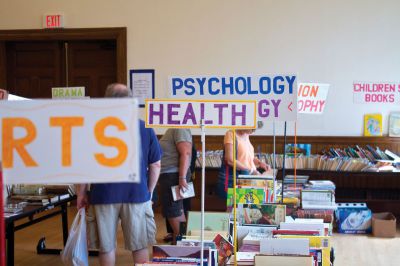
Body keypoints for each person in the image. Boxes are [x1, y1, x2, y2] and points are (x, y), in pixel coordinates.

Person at [76, 83, 162, 265]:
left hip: (103, 194)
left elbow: (84, 166)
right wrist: (149, 191)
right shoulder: (144, 127)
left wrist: (81, 193)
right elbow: (155, 164)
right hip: (137, 194)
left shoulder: (92, 128)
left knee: (106, 247)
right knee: (139, 245)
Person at [158, 128, 192, 244]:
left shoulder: (179, 128)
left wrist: (182, 178)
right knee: (177, 210)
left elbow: (186, 153)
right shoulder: (175, 128)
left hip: (173, 176)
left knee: (173, 211)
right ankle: (178, 243)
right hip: (172, 175)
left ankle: (182, 244)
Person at [216, 129, 270, 199]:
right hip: (237, 179)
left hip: (248, 177)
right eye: (252, 129)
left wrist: (260, 163)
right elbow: (230, 160)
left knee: (245, 207)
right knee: (235, 206)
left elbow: (249, 157)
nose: (253, 132)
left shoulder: (246, 135)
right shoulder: (231, 134)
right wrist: (251, 170)